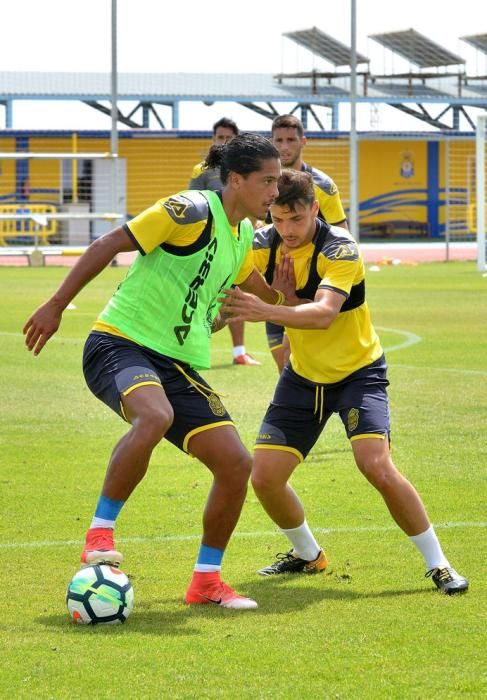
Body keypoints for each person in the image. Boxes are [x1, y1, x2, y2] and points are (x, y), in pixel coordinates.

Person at [23, 132, 282, 610]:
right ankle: (100, 534)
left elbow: (259, 288)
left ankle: (206, 581)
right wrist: (57, 304)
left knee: (235, 463)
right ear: (237, 179)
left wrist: (291, 299)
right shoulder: (189, 210)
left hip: (174, 363)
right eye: (267, 180)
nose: (274, 190)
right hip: (118, 343)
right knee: (154, 415)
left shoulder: (243, 234)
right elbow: (108, 242)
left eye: (278, 180)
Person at [221, 169, 468, 595]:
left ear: (315, 209)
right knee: (264, 477)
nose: (287, 230)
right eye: (278, 220)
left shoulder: (340, 246)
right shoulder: (261, 245)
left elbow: (322, 314)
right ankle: (307, 555)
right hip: (303, 378)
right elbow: (232, 295)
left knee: (375, 464)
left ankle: (439, 564)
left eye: (296, 219)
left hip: (359, 373)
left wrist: (271, 306)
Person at [267, 113, 348, 373]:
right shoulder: (264, 184)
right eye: (278, 140)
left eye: (291, 139)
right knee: (284, 367)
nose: (284, 146)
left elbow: (343, 235)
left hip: (312, 286)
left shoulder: (323, 186)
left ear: (304, 142)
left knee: (300, 360)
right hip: (276, 281)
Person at [188, 117, 260, 366]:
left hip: (237, 238)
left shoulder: (246, 170)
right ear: (213, 139)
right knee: (201, 293)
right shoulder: (202, 170)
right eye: (220, 137)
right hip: (208, 240)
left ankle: (239, 351)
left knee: (235, 292)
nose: (224, 141)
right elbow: (192, 200)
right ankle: (189, 345)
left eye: (229, 138)